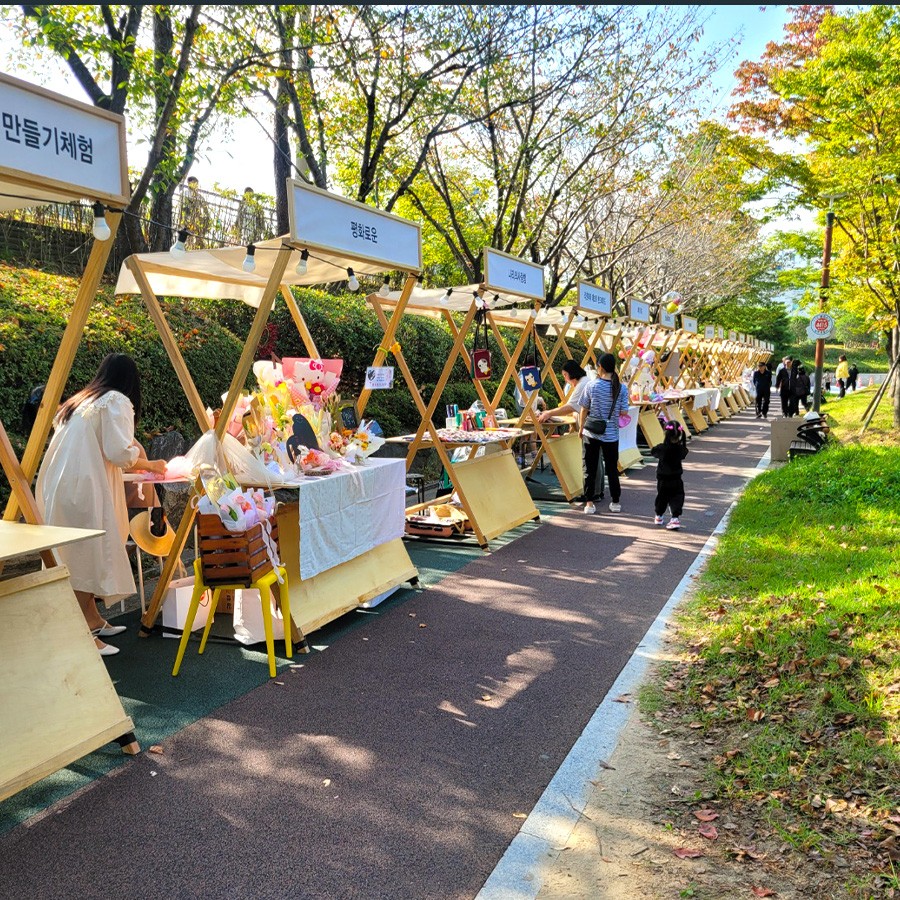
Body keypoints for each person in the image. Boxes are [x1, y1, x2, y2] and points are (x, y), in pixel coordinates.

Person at [36, 354, 167, 657]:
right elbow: (119, 452)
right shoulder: (116, 400)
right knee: (86, 554)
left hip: (64, 485)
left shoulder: (82, 401)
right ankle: (82, 634)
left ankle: (92, 618)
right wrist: (154, 464)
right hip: (86, 487)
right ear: (130, 380)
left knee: (78, 552)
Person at [576, 352, 630, 515]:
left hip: (591, 433)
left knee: (589, 468)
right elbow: (623, 411)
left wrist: (580, 428)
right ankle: (615, 502)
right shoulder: (621, 388)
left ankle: (589, 503)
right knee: (612, 469)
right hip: (611, 435)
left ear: (600, 367)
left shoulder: (592, 385)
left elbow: (584, 408)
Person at [651, 419, 689, 530]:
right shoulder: (681, 449)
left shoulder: (662, 448)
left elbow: (653, 451)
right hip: (676, 478)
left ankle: (659, 515)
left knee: (662, 497)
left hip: (662, 478)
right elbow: (684, 453)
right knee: (677, 497)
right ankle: (675, 518)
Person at [179, 175, 211, 248]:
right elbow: (181, 207)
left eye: (196, 183)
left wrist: (206, 217)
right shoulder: (184, 193)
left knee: (194, 238)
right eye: (193, 183)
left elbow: (205, 208)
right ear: (189, 183)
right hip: (186, 219)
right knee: (185, 237)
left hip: (196, 221)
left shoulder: (199, 196)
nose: (195, 185)